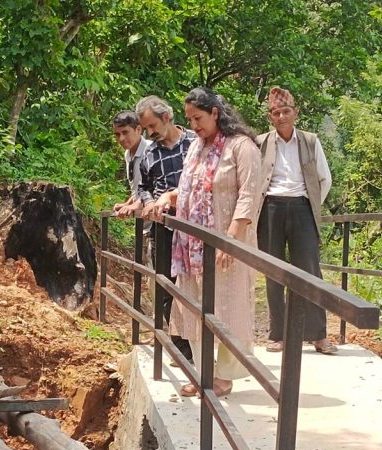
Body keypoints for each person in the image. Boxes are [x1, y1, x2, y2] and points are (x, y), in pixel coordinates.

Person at [148, 88, 264, 397]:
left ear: (215, 113)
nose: (194, 125)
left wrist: (230, 241)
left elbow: (249, 197)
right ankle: (202, 373)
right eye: (189, 119)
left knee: (226, 308)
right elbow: (186, 189)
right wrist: (166, 197)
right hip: (190, 246)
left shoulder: (242, 147)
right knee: (193, 307)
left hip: (226, 246)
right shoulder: (196, 148)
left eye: (198, 118)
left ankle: (223, 377)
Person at [256, 87, 338, 355]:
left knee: (310, 271)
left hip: (302, 208)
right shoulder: (262, 143)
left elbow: (324, 179)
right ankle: (277, 334)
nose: (281, 117)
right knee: (273, 271)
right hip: (270, 208)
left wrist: (312, 204)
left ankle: (318, 335)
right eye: (276, 113)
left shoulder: (310, 141)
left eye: (285, 112)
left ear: (296, 113)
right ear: (270, 117)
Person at [131, 95, 197, 362]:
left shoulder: (194, 142)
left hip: (194, 227)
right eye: (145, 129)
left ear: (167, 118)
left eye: (151, 126)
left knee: (195, 286)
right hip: (164, 228)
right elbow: (143, 188)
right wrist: (150, 203)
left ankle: (200, 342)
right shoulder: (148, 152)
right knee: (166, 286)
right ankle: (182, 348)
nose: (149, 133)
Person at [111, 111, 151, 216]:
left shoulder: (151, 151)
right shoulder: (128, 154)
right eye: (117, 134)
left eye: (125, 132)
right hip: (143, 221)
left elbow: (157, 187)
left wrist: (136, 205)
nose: (121, 139)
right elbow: (139, 187)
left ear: (138, 130)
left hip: (158, 222)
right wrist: (128, 203)